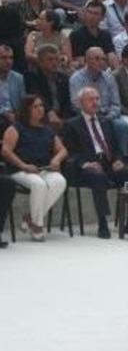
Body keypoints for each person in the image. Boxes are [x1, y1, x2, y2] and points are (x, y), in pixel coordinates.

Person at [62, 87, 128, 239]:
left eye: (97, 99)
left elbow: (117, 148)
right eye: (90, 100)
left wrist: (118, 160)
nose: (95, 103)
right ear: (80, 103)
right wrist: (85, 164)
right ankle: (103, 222)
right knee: (98, 177)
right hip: (86, 169)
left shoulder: (106, 121)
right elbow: (70, 152)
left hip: (109, 165)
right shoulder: (72, 125)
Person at [1, 95, 67, 241]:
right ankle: (37, 225)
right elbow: (5, 151)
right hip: (20, 170)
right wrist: (24, 165)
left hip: (43, 169)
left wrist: (56, 159)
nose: (40, 109)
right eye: (35, 107)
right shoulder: (16, 127)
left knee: (60, 181)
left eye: (41, 106)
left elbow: (63, 150)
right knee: (39, 184)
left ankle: (30, 218)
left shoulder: (48, 130)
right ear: (26, 109)